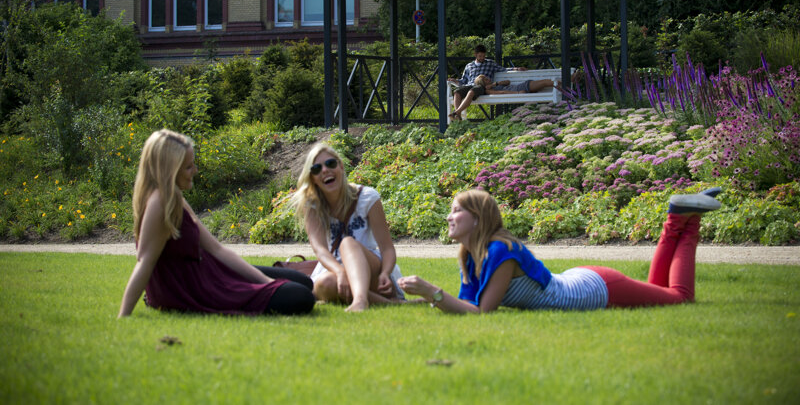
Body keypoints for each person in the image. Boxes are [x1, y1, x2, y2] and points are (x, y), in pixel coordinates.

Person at [397, 188, 722, 313]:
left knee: (679, 296)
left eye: (456, 211)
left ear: (477, 218)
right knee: (660, 292)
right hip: (580, 279)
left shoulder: (500, 251)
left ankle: (685, 219)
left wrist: (431, 291)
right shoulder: (470, 256)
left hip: (595, 290)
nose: (449, 217)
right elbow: (467, 302)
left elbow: (482, 313)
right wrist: (426, 297)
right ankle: (681, 214)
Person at [118, 129, 315, 318]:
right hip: (196, 287)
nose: (194, 170)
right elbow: (145, 260)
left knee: (302, 281)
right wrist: (124, 315)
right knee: (300, 296)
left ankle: (271, 284)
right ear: (169, 170)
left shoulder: (174, 196)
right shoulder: (159, 202)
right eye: (188, 166)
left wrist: (266, 281)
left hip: (209, 271)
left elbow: (217, 249)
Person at [290, 142, 404, 312]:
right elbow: (320, 250)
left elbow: (387, 248)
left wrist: (385, 273)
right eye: (316, 168)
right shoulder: (312, 205)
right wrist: (340, 272)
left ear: (341, 167)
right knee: (324, 283)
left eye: (330, 164)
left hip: (372, 267)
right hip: (336, 268)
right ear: (312, 177)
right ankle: (387, 303)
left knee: (347, 243)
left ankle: (360, 300)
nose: (325, 170)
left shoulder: (367, 197)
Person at [448, 44, 526, 121]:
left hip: (482, 87)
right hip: (470, 85)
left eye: (484, 56)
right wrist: (455, 81)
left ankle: (456, 112)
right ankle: (457, 115)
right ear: (475, 55)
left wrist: (516, 68)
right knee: (456, 92)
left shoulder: (490, 63)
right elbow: (463, 80)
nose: (482, 58)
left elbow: (503, 69)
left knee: (471, 92)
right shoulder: (469, 66)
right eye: (480, 56)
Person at [473, 74, 559, 95]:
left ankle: (565, 83)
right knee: (544, 82)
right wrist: (517, 93)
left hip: (522, 86)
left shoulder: (494, 84)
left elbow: (508, 82)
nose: (488, 78)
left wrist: (496, 83)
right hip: (519, 90)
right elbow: (502, 93)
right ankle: (566, 82)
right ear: (483, 83)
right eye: (485, 79)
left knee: (545, 82)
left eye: (486, 77)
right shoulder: (488, 91)